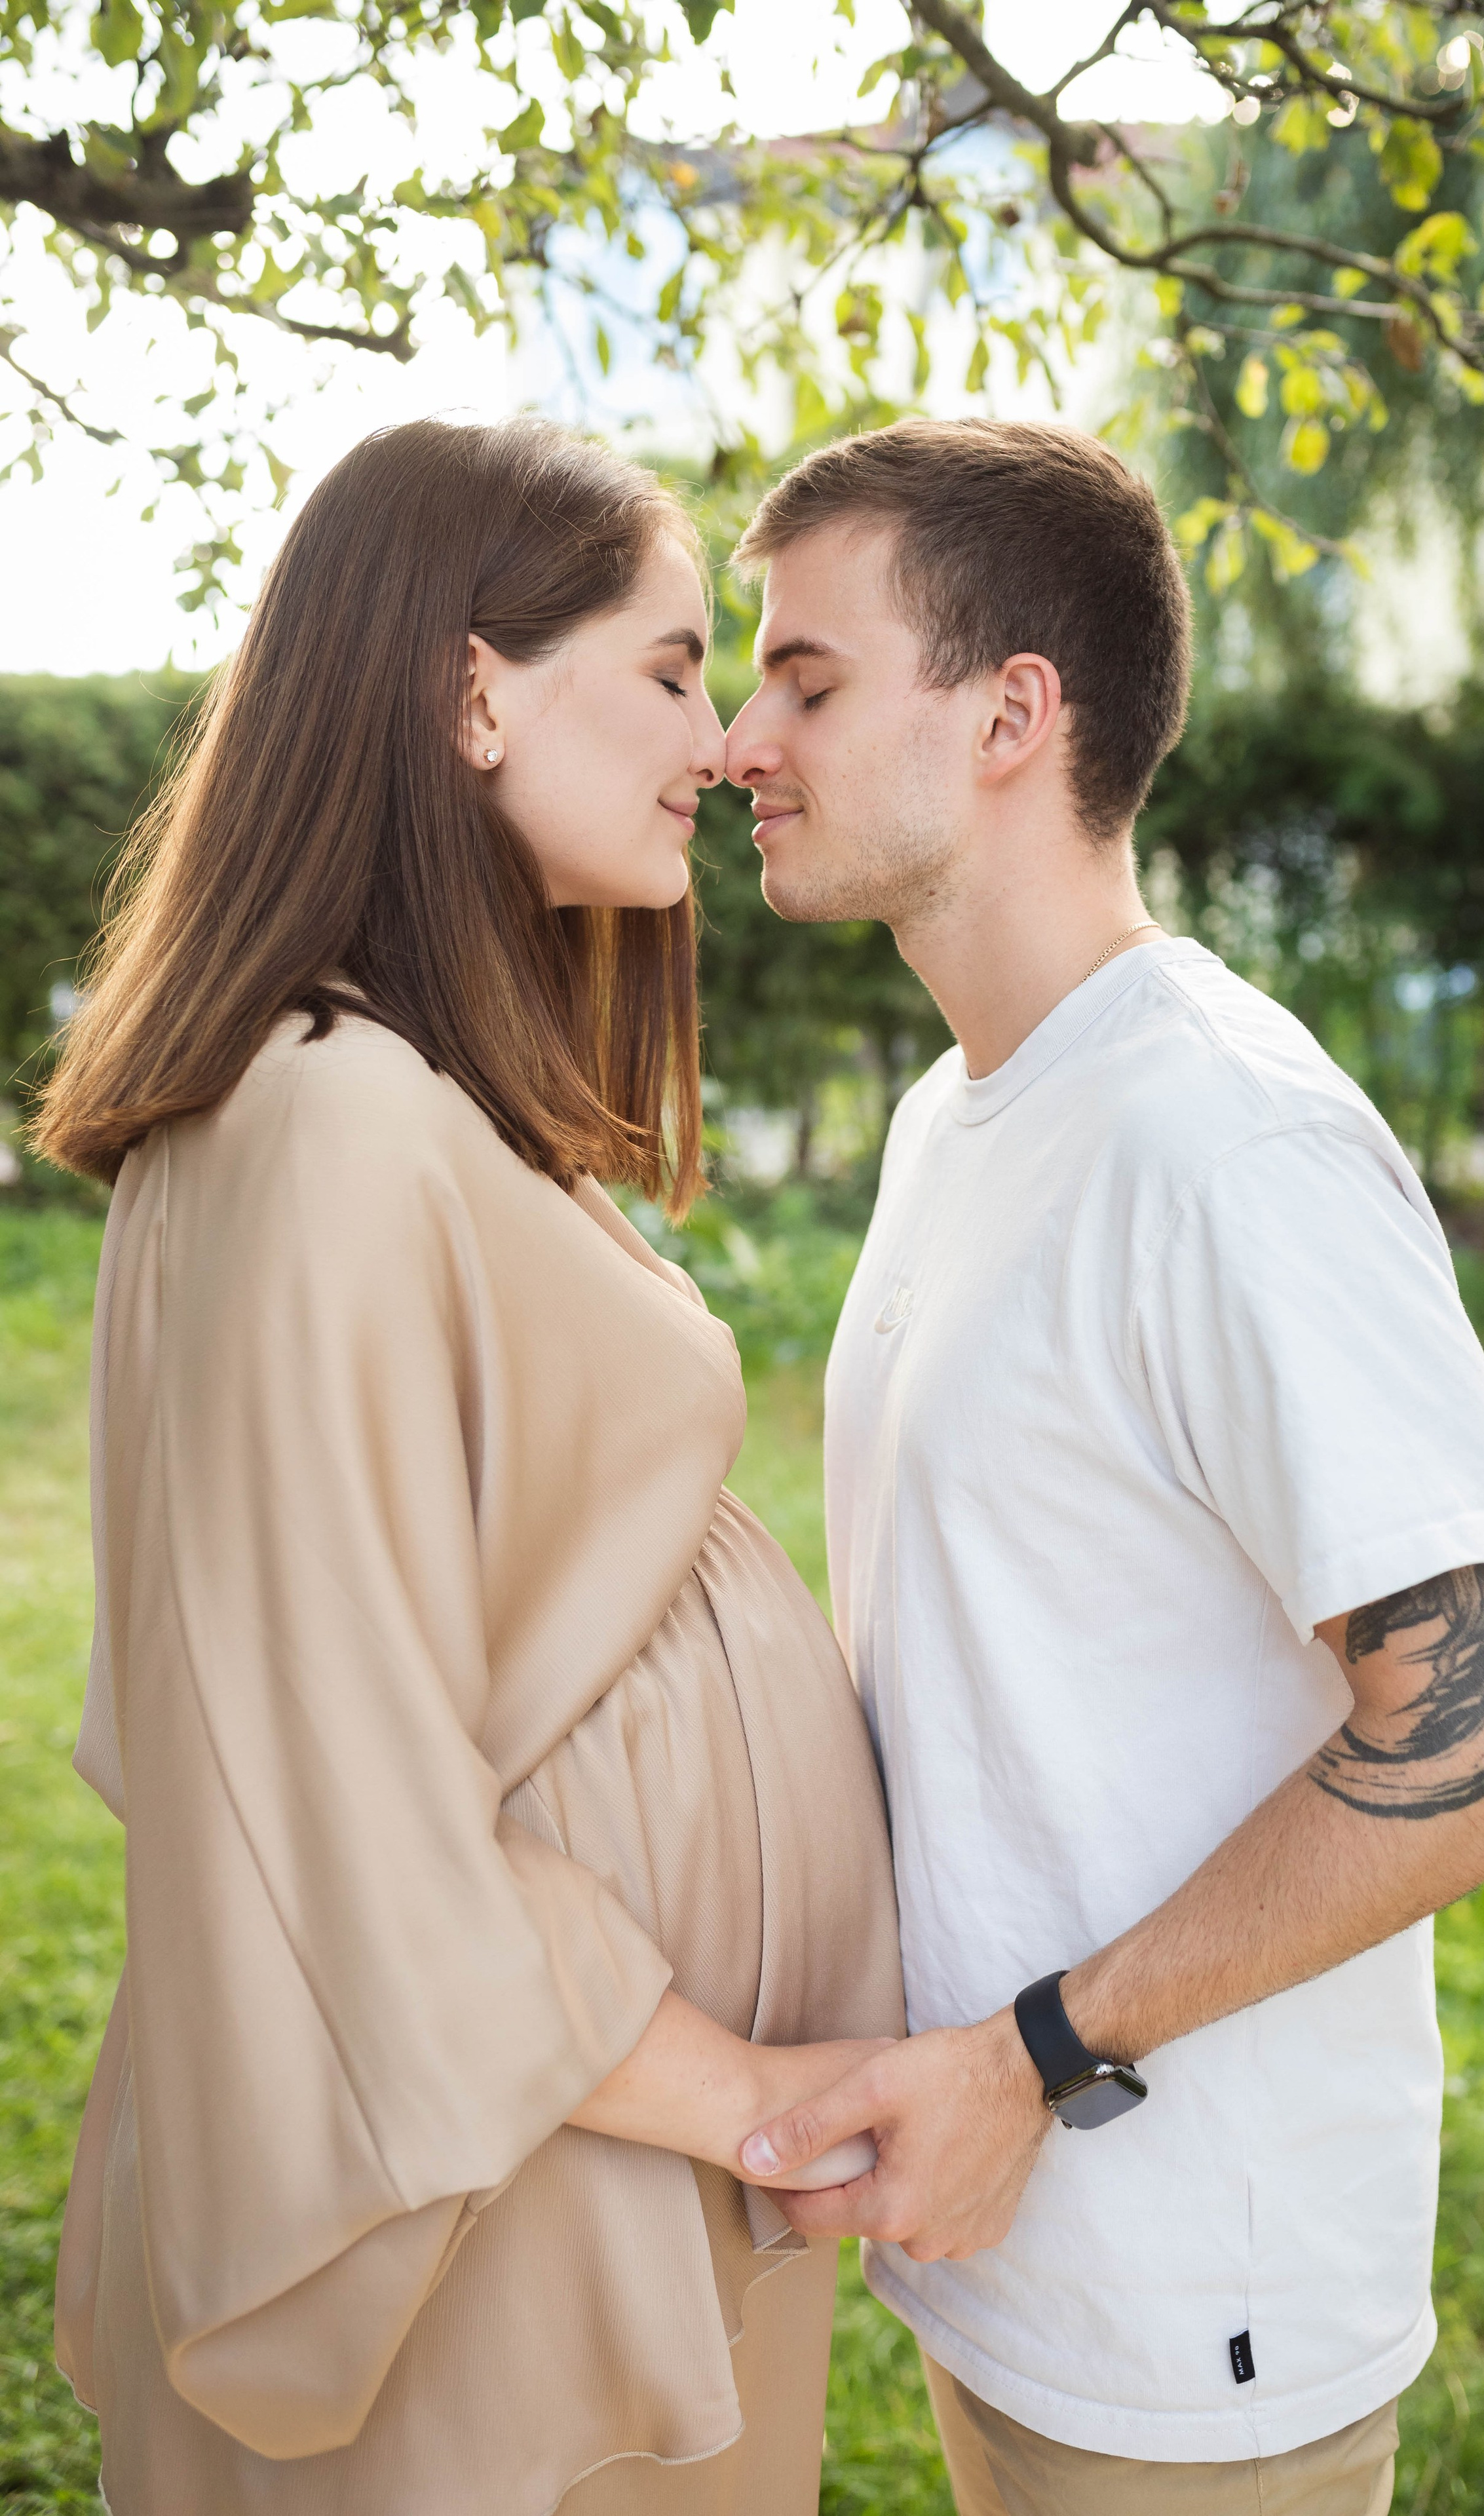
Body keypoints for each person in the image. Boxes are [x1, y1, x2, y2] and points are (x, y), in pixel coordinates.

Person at [33, 416, 903, 2516]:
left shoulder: (383, 1090)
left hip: (558, 2164)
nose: (718, 738)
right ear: (471, 688)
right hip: (482, 2182)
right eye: (678, 664)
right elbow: (336, 1788)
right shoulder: (324, 1117)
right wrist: (756, 2101)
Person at [719, 417, 1484, 2516]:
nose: (743, 737)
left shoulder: (1225, 1144)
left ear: (1017, 712)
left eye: (808, 680)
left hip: (1203, 2318)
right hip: (1000, 2252)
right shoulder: (966, 1113)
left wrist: (1034, 2054)